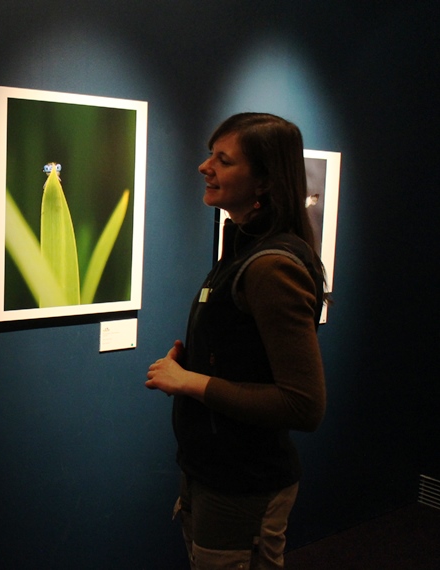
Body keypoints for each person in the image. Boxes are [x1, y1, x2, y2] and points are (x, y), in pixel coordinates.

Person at [145, 113, 326, 570]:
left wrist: (188, 382)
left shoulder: (270, 268)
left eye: (223, 160)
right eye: (211, 154)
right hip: (214, 472)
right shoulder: (242, 249)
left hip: (243, 482)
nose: (205, 167)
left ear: (263, 181)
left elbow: (304, 404)